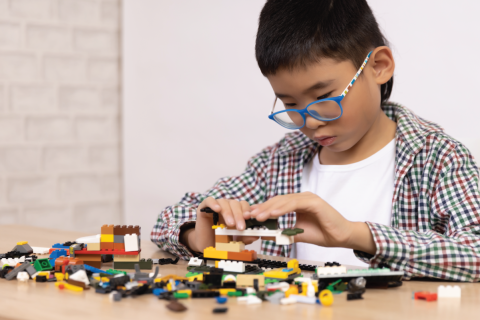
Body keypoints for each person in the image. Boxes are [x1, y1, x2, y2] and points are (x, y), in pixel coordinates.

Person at [151, 0, 480, 281]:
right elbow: (168, 218)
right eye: (291, 104)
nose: (308, 121)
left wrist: (353, 234)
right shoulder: (280, 163)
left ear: (379, 66)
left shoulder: (438, 159)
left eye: (324, 97)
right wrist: (198, 234)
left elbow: (475, 253)